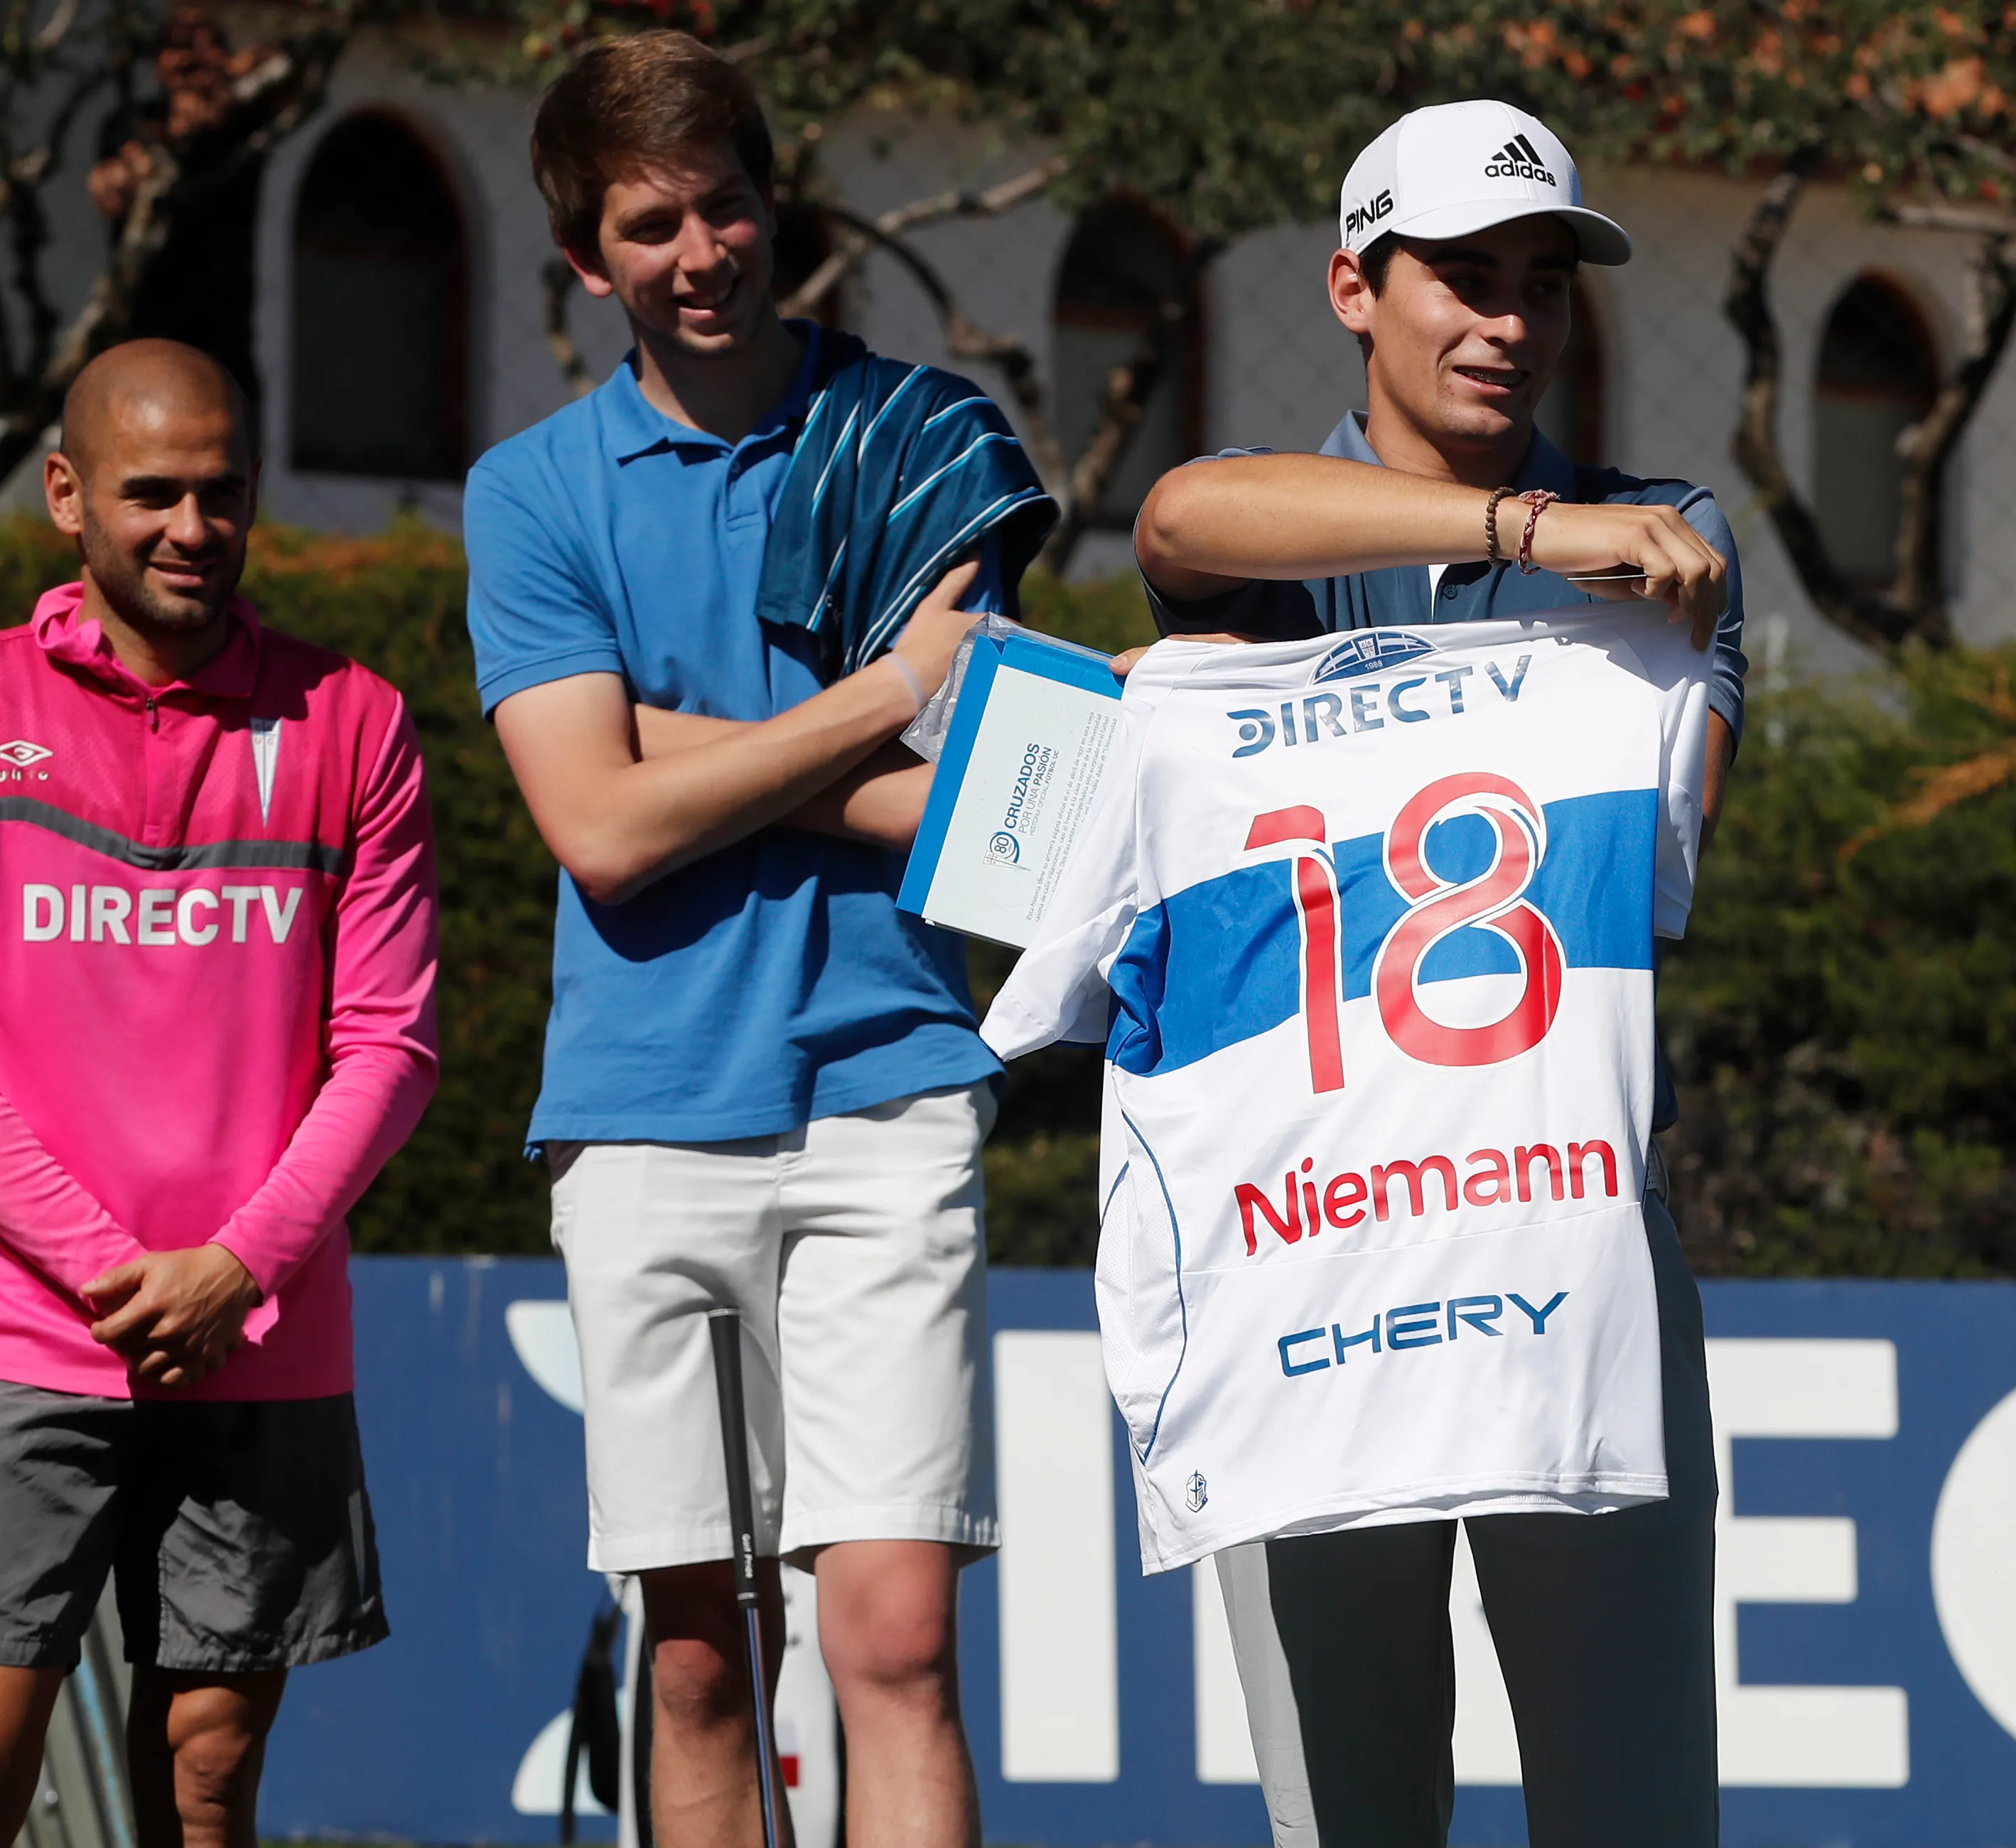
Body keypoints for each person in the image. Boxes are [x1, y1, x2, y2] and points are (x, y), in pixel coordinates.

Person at [1128, 100, 1744, 1847]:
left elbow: (1670, 844)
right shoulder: (1269, 533)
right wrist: (1522, 533)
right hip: (1302, 1262)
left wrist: (1575, 545)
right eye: (1464, 277)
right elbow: (1180, 514)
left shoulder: (1667, 535)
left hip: (1576, 1248)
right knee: (1351, 1818)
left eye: (1543, 281)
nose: (1511, 321)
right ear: (1353, 288)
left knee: (1634, 1817)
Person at [464, 31, 1057, 1848]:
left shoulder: (921, 436)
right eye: (650, 226)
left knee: (899, 1645)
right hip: (644, 1106)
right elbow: (599, 835)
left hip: (891, 1083)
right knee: (702, 1660)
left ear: (775, 203)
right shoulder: (532, 490)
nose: (699, 253)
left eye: (724, 206)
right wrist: (872, 697)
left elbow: (987, 814)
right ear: (586, 260)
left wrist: (669, 753)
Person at [0, 339, 440, 1848]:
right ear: (66, 495)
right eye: (152, 492)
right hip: (27, 1330)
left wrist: (237, 1266)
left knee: (207, 1777)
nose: (192, 526)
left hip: (261, 1335)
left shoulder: (354, 720)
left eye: (221, 492)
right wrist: (121, 1272)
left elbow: (389, 1047)